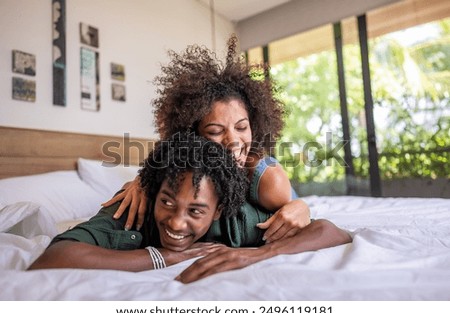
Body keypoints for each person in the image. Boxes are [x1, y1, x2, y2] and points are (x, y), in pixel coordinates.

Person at [28, 132, 351, 283]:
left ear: (219, 210)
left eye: (196, 211)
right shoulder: (132, 209)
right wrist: (166, 256)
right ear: (153, 192)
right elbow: (53, 258)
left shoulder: (235, 222)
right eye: (167, 202)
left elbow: (331, 231)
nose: (177, 223)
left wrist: (255, 254)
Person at [103, 35, 311, 243]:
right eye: (215, 131)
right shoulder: (184, 161)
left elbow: (296, 221)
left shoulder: (269, 181)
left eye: (241, 127)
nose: (234, 141)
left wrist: (301, 207)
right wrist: (141, 182)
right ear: (191, 136)